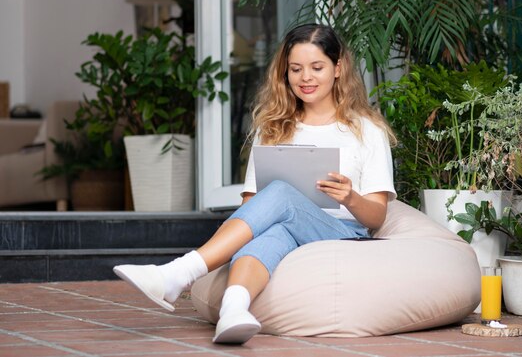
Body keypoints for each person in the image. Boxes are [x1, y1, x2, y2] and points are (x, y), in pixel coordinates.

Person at [113, 23, 397, 344]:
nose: (306, 78)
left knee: (280, 194)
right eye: (296, 69)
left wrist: (350, 197)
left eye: (317, 67)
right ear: (284, 73)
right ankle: (234, 311)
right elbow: (250, 207)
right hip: (288, 230)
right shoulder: (274, 127)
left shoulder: (366, 130)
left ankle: (180, 273)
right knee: (272, 226)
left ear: (338, 68)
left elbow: (377, 217)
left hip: (343, 235)